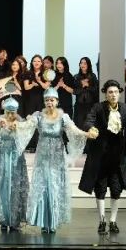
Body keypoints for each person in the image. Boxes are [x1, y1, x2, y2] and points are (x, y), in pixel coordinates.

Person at [79, 79, 126, 234]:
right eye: (110, 92)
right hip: (101, 155)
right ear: (105, 94)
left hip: (118, 155)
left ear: (119, 93)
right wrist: (91, 128)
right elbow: (88, 121)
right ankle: (102, 221)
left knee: (116, 189)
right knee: (100, 189)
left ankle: (113, 221)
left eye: (115, 92)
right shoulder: (98, 107)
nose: (113, 95)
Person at [26, 87, 93, 233]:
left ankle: (54, 220)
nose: (49, 103)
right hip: (43, 156)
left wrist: (86, 134)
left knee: (55, 185)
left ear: (57, 101)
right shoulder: (38, 116)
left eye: (52, 100)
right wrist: (16, 124)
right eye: (47, 100)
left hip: (57, 156)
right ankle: (44, 221)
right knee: (44, 185)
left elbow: (73, 130)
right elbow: (26, 126)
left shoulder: (63, 117)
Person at [0, 98, 36, 231]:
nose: (10, 115)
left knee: (15, 187)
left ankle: (15, 219)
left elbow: (30, 127)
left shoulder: (20, 123)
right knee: (3, 186)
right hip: (2, 158)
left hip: (16, 159)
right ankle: (4, 219)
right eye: (8, 112)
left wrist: (19, 127)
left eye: (13, 112)